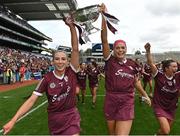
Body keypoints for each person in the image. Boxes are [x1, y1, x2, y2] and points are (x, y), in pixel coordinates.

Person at [3, 16, 81, 135]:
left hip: (71, 116)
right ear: (53, 61)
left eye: (63, 59)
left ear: (67, 61)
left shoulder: (71, 71)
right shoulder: (47, 79)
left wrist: (71, 27)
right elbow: (31, 100)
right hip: (54, 120)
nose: (60, 61)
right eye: (57, 59)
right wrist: (13, 120)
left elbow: (75, 49)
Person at [100, 4, 151, 135]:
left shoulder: (133, 64)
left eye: (123, 47)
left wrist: (145, 95)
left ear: (126, 49)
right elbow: (104, 40)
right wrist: (103, 17)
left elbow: (136, 82)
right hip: (111, 100)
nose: (120, 50)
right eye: (118, 47)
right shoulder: (109, 61)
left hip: (127, 101)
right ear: (114, 50)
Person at [144, 42, 180, 135]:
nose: (176, 68)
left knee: (164, 132)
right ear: (167, 68)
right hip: (159, 106)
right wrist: (148, 51)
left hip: (172, 107)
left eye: (176, 66)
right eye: (174, 66)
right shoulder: (159, 75)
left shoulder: (178, 76)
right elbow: (151, 63)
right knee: (166, 131)